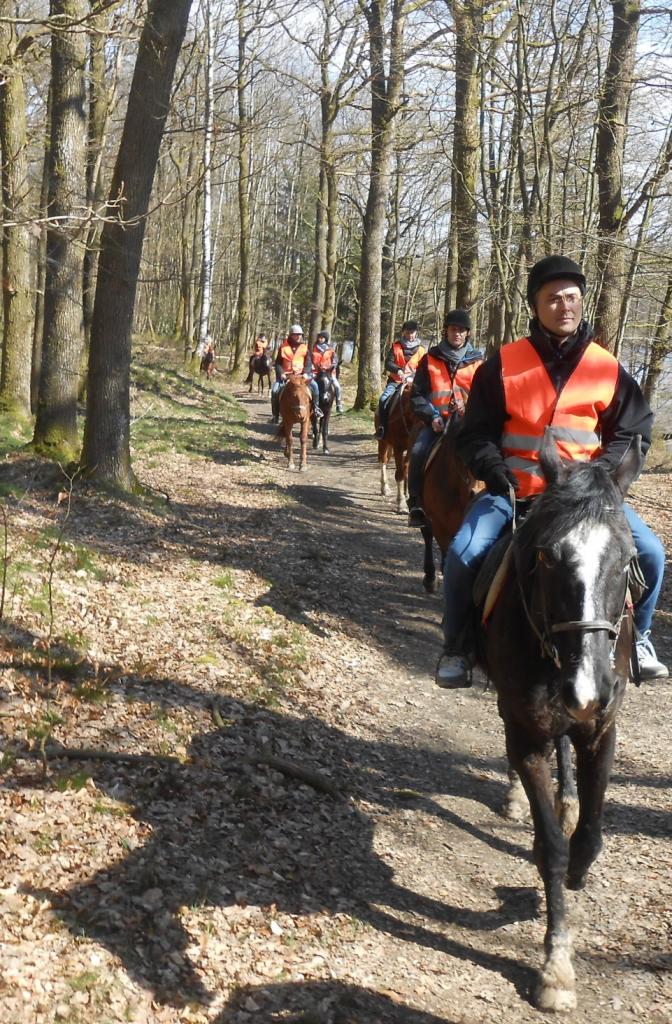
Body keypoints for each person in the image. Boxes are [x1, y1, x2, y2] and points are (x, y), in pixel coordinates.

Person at [435, 254, 668, 688]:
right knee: (463, 554)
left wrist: (601, 480)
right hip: (515, 493)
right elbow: (474, 434)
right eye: (553, 298)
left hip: (589, 503)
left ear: (583, 302)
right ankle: (457, 647)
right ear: (535, 306)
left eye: (572, 297)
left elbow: (633, 433)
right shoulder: (502, 365)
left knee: (652, 554)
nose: (565, 306)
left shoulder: (607, 366)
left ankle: (640, 640)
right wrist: (492, 467)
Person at [407, 309, 483, 527]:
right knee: (418, 450)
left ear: (467, 333)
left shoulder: (477, 361)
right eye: (453, 329)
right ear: (445, 331)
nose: (457, 333)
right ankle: (416, 504)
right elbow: (418, 394)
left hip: (469, 423)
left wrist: (470, 408)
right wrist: (432, 416)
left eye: (461, 330)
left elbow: (486, 395)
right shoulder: (430, 358)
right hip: (438, 423)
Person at [376, 320, 426, 439]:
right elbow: (388, 363)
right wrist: (398, 370)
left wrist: (413, 377)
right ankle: (382, 427)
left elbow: (424, 368)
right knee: (383, 399)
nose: (410, 335)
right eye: (408, 332)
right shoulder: (396, 346)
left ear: (416, 333)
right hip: (395, 382)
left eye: (412, 332)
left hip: (414, 383)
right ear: (403, 332)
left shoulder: (421, 350)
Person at [270, 324, 322, 424]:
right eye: (296, 335)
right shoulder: (283, 347)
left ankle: (316, 409)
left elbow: (308, 362)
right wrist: (281, 373)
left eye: (300, 335)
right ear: (291, 335)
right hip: (287, 376)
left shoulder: (304, 347)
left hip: (301, 376)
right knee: (275, 390)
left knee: (315, 387)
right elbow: (278, 363)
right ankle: (275, 414)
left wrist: (306, 373)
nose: (298, 336)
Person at [311, 329, 344, 414]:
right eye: (319, 337)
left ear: (326, 339)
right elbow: (310, 360)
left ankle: (338, 403)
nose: (320, 339)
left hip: (328, 373)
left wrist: (331, 367)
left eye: (322, 338)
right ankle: (312, 404)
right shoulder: (314, 349)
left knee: (337, 386)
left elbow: (335, 361)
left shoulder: (331, 350)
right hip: (316, 372)